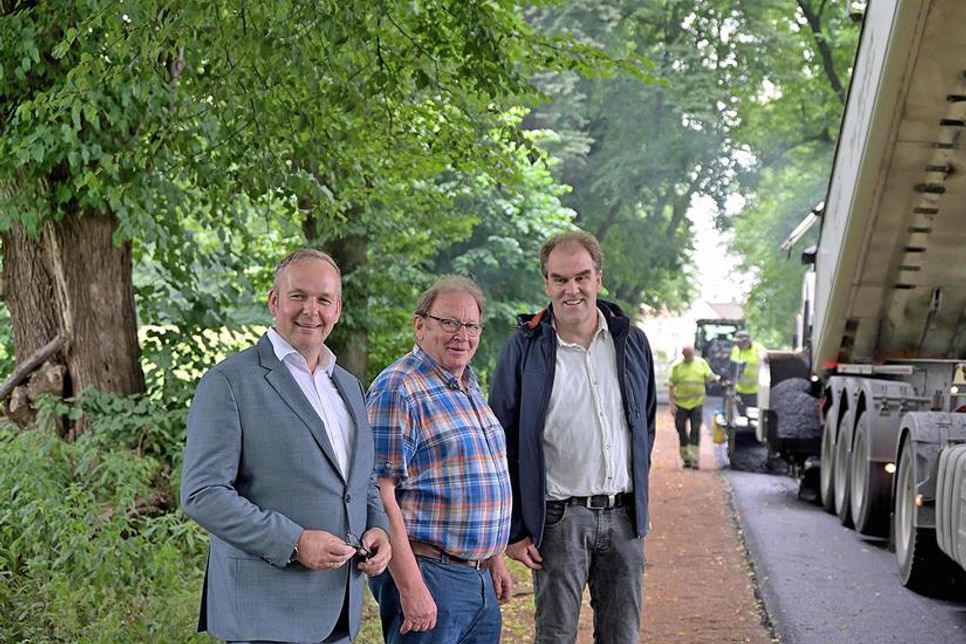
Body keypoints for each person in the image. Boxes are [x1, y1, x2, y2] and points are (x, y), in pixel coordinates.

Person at [180, 249, 391, 643]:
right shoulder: (229, 382)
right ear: (274, 301)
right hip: (264, 615)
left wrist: (378, 527)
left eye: (324, 299)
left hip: (337, 613)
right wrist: (293, 542)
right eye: (299, 296)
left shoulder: (348, 386)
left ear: (338, 309)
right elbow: (202, 493)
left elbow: (361, 480)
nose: (311, 310)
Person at [489, 230, 657, 644]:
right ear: (546, 284)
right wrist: (513, 530)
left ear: (598, 278)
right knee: (555, 637)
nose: (572, 289)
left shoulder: (631, 342)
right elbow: (500, 441)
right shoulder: (524, 348)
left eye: (581, 277)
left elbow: (646, 422)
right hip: (557, 522)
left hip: (624, 520)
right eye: (560, 279)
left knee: (622, 638)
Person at [366, 275, 514, 643]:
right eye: (449, 322)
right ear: (420, 325)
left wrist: (493, 558)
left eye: (471, 325)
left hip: (475, 579)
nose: (461, 334)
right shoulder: (398, 388)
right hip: (429, 573)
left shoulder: (467, 385)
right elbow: (380, 494)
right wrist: (411, 587)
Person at [668, 346, 719, 469]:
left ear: (693, 354)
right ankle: (686, 458)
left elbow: (711, 377)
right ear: (683, 354)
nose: (688, 357)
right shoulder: (677, 367)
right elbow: (671, 386)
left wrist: (718, 379)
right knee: (681, 430)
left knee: (695, 430)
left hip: (697, 403)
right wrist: (672, 404)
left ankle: (694, 459)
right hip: (681, 405)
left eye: (690, 355)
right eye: (686, 355)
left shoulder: (701, 363)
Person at [728, 329, 767, 412]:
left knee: (753, 416)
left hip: (755, 391)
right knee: (742, 417)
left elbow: (766, 368)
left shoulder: (759, 349)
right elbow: (733, 368)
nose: (737, 345)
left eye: (739, 342)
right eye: (736, 342)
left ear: (746, 341)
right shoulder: (735, 350)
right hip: (739, 391)